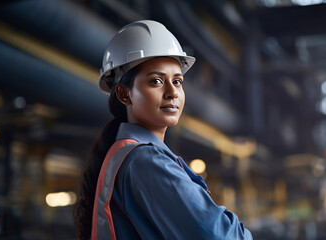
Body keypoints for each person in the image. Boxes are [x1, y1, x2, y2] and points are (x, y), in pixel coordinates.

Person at [74, 20, 253, 240]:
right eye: (156, 81)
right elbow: (222, 236)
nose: (172, 92)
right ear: (124, 94)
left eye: (177, 81)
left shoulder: (128, 156)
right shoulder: (146, 161)